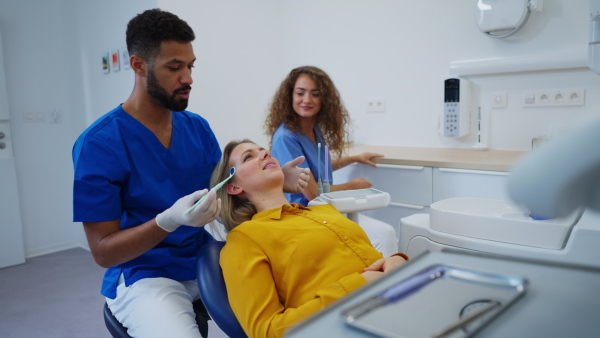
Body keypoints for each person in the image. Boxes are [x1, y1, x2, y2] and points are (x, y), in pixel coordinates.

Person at [72, 9, 308, 338]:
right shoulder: (99, 145)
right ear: (138, 65)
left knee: (301, 308)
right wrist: (165, 222)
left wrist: (272, 177)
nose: (188, 78)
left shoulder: (196, 128)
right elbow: (103, 251)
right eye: (174, 67)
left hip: (206, 256)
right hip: (146, 274)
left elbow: (228, 191)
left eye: (190, 65)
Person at [213, 139, 409, 338]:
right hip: (354, 324)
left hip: (400, 303)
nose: (264, 153)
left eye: (263, 150)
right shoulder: (245, 238)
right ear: (234, 187)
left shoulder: (324, 211)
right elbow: (267, 331)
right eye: (249, 157)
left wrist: (397, 260)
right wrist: (358, 286)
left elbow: (369, 261)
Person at [265, 65, 398, 256]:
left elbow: (320, 169)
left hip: (326, 210)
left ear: (324, 99)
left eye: (315, 94)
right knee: (383, 236)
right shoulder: (287, 137)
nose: (307, 100)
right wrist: (353, 185)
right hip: (304, 216)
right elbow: (311, 192)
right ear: (289, 97)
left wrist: (353, 159)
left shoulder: (314, 131)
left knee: (383, 234)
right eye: (300, 93)